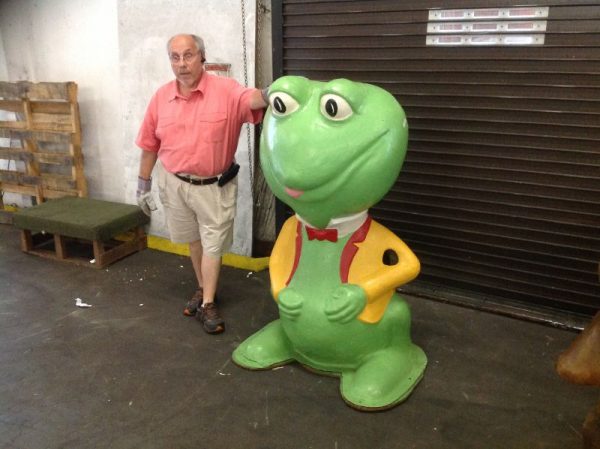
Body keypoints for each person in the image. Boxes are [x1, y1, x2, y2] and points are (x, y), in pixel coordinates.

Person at [135, 33, 268, 334]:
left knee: (212, 244)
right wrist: (143, 184)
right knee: (194, 241)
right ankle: (202, 286)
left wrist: (274, 92)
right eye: (175, 57)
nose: (182, 63)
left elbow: (253, 99)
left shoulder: (226, 91)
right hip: (175, 184)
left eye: (188, 55)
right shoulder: (161, 98)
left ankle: (208, 303)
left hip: (213, 187)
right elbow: (149, 145)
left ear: (202, 57)